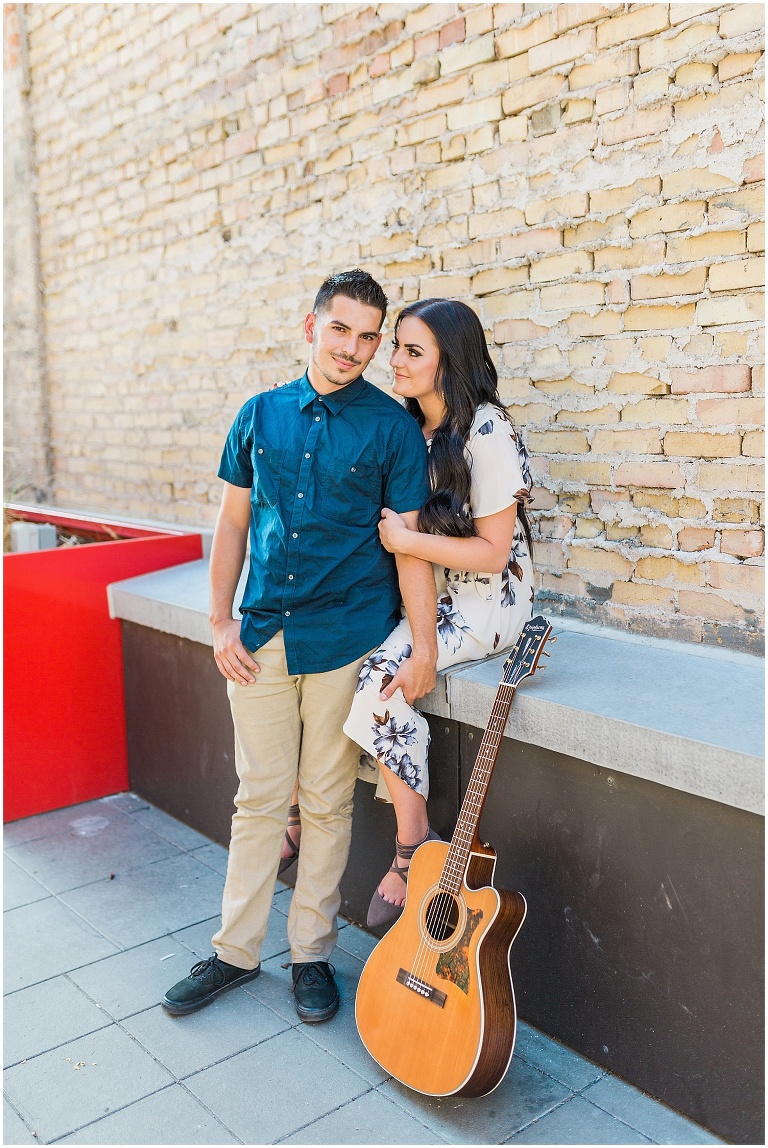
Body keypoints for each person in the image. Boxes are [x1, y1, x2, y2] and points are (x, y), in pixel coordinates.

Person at [162, 270, 438, 1023]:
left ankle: (311, 953)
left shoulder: (391, 429)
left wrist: (423, 646)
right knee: (258, 798)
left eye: (368, 336)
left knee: (323, 799)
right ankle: (233, 953)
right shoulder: (258, 415)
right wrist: (219, 621)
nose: (354, 347)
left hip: (346, 634)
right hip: (258, 635)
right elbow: (231, 525)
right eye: (341, 329)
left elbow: (409, 546)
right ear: (310, 326)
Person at [282, 299, 535, 929]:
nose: (394, 360)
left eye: (412, 351)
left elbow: (493, 553)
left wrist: (409, 542)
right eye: (395, 346)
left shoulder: (489, 431)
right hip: (419, 594)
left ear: (450, 363)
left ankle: (411, 847)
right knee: (328, 666)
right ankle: (294, 808)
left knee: (378, 689)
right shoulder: (407, 430)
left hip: (483, 604)